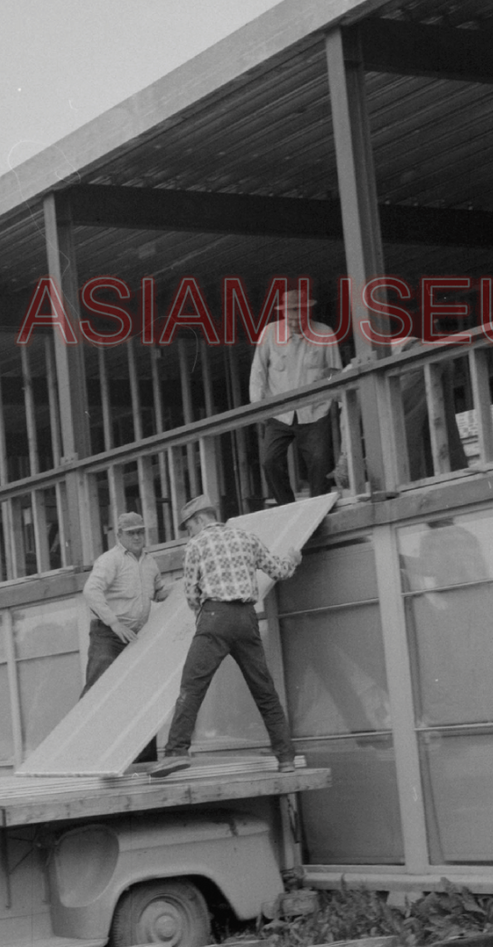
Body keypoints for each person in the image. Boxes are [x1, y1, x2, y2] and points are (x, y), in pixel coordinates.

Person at [150, 495, 300, 779]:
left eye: (188, 526)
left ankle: (175, 753)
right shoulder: (246, 537)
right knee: (264, 691)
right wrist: (293, 558)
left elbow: (192, 593)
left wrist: (202, 616)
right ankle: (286, 757)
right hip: (246, 619)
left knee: (192, 686)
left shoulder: (196, 545)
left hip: (215, 618)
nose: (188, 532)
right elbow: (279, 570)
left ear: (199, 520)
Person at [249, 286, 342, 506]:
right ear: (283, 313)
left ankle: (318, 507)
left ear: (307, 311)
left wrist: (330, 392)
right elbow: (258, 371)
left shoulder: (325, 333)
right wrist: (258, 406)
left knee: (319, 462)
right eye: (289, 315)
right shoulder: (269, 332)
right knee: (269, 461)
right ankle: (287, 506)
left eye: (297, 315)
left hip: (315, 410)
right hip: (279, 412)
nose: (293, 321)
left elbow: (336, 373)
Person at [80, 512, 169, 694]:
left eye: (139, 532)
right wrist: (114, 624)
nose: (136, 537)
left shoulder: (150, 562)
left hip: (135, 637)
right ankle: (84, 723)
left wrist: (184, 586)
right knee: (98, 689)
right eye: (130, 533)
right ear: (119, 535)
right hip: (108, 636)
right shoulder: (110, 560)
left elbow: (159, 592)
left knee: (133, 691)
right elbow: (90, 590)